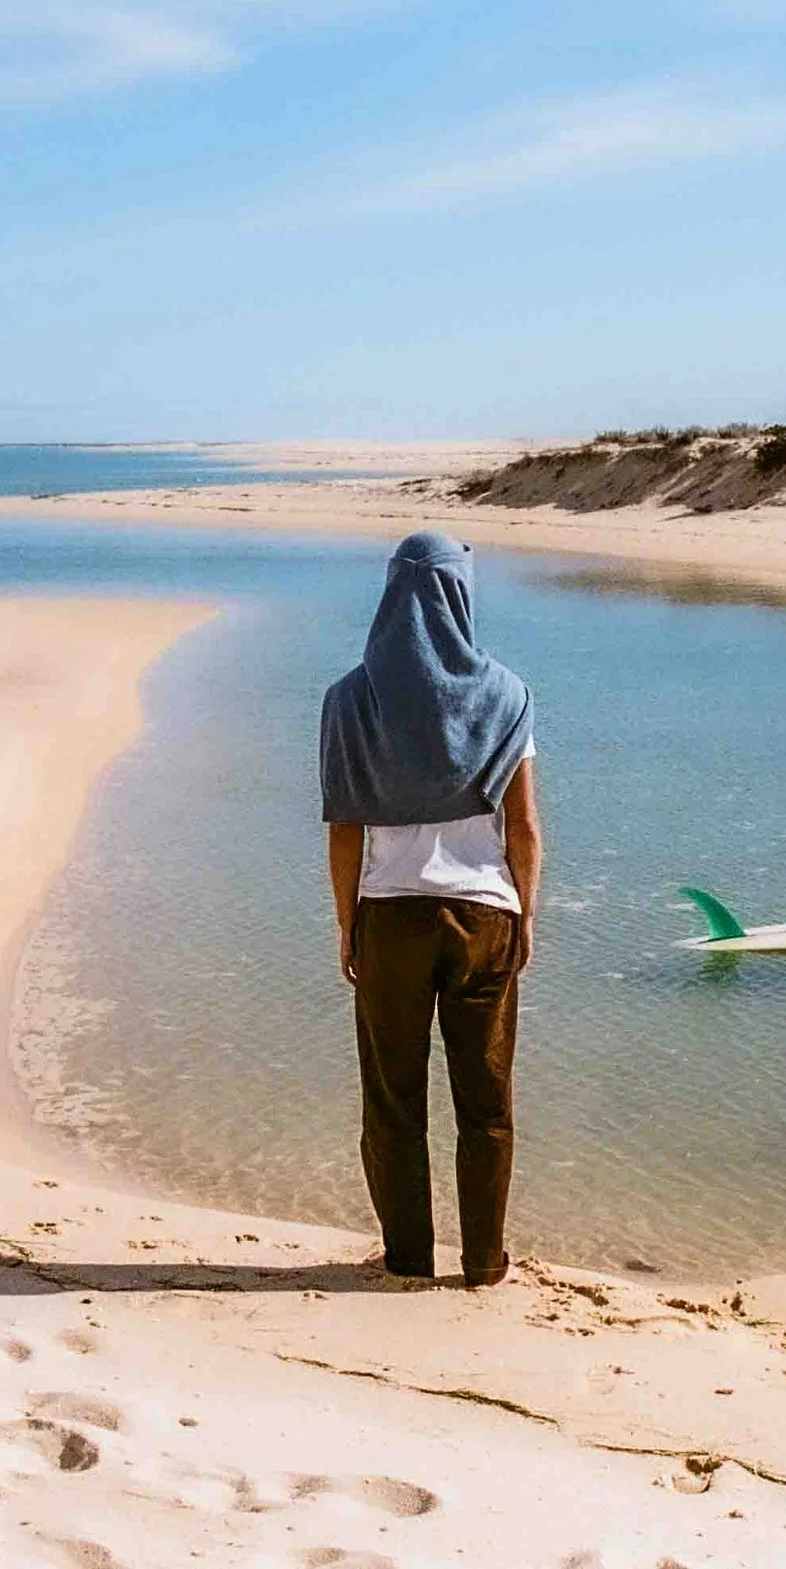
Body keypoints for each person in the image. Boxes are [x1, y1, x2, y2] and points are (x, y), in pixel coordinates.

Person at [320, 530, 541, 1288]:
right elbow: (524, 826)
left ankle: (408, 1257)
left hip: (391, 917)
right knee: (485, 1102)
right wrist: (527, 913)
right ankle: (483, 1263)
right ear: (460, 594)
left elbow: (344, 825)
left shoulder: (349, 699)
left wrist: (347, 922)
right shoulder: (508, 694)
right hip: (484, 917)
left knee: (392, 1100)